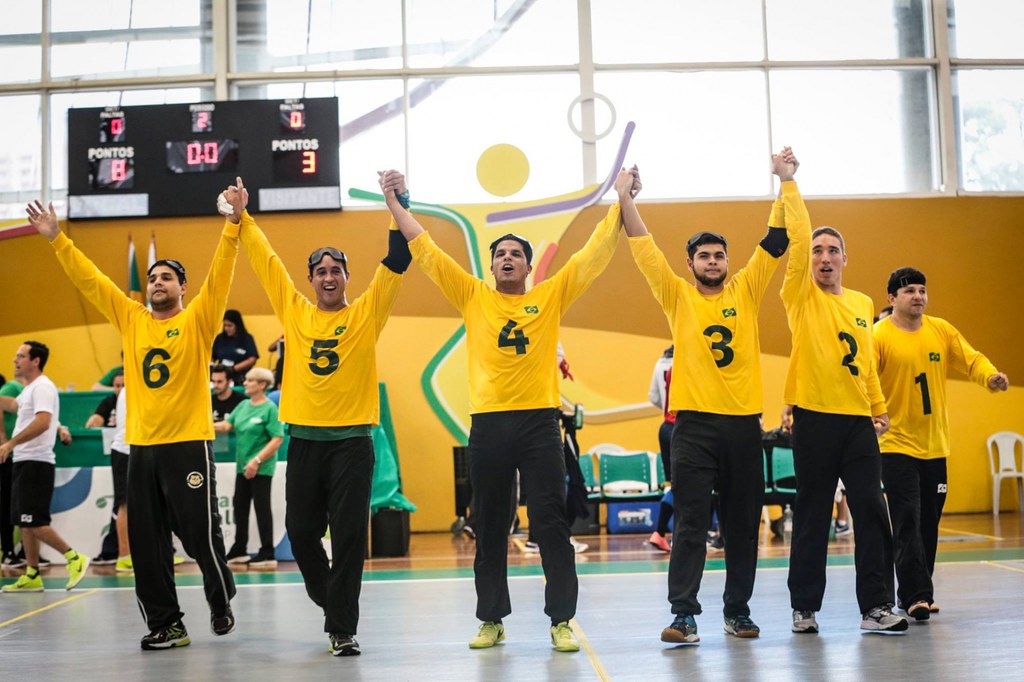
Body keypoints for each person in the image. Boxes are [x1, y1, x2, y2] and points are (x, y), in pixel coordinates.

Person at [380, 166, 626, 654]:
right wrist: (395, 203)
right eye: (500, 254)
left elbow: (593, 254)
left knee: (551, 523)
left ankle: (561, 620)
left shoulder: (549, 296)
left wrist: (620, 202)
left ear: (529, 267)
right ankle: (491, 618)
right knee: (489, 523)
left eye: (516, 254)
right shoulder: (472, 295)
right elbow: (426, 249)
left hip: (538, 423)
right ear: (491, 267)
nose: (508, 258)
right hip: (489, 425)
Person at [25, 186, 240, 650]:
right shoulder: (132, 318)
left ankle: (220, 601)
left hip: (188, 445)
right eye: (153, 277)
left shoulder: (201, 319)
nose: (158, 282)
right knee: (146, 545)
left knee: (201, 537)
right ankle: (167, 623)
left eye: (167, 277)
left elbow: (221, 275)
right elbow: (92, 281)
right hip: (140, 447)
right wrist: (57, 239)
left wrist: (234, 224)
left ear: (183, 287)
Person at [622, 151, 799, 643]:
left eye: (719, 255)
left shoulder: (746, 289)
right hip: (693, 427)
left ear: (728, 261)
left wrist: (785, 182)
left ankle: (737, 611)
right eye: (704, 256)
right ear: (691, 263)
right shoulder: (676, 295)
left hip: (743, 425)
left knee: (743, 525)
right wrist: (624, 198)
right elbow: (642, 245)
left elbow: (777, 240)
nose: (713, 262)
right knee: (691, 523)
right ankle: (684, 615)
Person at [232, 175, 409, 657]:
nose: (329, 277)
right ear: (310, 279)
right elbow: (266, 262)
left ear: (347, 276)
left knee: (350, 537)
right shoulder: (295, 311)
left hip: (353, 444)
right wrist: (244, 216)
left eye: (337, 270)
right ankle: (332, 601)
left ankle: (341, 627)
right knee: (304, 533)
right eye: (320, 271)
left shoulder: (367, 312)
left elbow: (398, 261)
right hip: (305, 442)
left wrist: (397, 203)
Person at [779, 173, 908, 634]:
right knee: (812, 512)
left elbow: (868, 364)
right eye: (818, 251)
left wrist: (878, 406)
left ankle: (875, 606)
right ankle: (804, 607)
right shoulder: (799, 295)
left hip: (858, 423)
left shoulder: (861, 302)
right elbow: (796, 240)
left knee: (871, 508)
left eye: (833, 250)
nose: (825, 257)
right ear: (808, 261)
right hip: (814, 419)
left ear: (845, 259)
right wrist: (789, 184)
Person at [874, 267, 1009, 620]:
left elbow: (971, 358)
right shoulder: (878, 336)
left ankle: (913, 592)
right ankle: (918, 595)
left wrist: (990, 376)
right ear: (892, 298)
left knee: (928, 523)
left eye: (922, 290)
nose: (917, 296)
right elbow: (864, 382)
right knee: (906, 519)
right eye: (909, 291)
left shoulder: (941, 330)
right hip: (896, 444)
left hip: (935, 445)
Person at [0, 341, 89, 592]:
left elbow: (43, 422)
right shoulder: (28, 390)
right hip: (24, 462)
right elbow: (15, 406)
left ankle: (75, 558)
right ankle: (32, 574)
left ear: (35, 361)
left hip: (36, 463)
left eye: (20, 356)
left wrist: (10, 443)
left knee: (35, 521)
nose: (15, 360)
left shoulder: (43, 387)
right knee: (24, 521)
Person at [214, 367, 284, 569]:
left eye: (250, 380)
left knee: (262, 508)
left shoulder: (270, 408)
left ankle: (267, 552)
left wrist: (257, 461)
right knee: (240, 506)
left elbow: (277, 438)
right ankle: (239, 549)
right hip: (242, 468)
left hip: (261, 468)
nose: (244, 383)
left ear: (262, 385)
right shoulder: (244, 405)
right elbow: (226, 426)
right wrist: (201, 425)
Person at [647, 345, 675, 553]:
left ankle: (661, 532)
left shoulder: (660, 363)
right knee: (687, 484)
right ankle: (661, 531)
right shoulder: (686, 360)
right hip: (681, 426)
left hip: (665, 426)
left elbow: (654, 397)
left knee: (675, 484)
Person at [0, 372, 24, 566]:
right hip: (8, 456)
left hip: (17, 455)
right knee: (7, 503)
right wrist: (3, 439)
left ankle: (23, 550)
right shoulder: (13, 387)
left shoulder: (28, 389)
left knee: (21, 505)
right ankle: (8, 551)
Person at [212, 309, 259, 383]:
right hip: (221, 377)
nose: (226, 328)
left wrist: (233, 369)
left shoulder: (247, 338)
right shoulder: (219, 338)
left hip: (241, 377)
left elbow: (252, 359)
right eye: (225, 325)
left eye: (230, 325)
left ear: (237, 325)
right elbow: (211, 357)